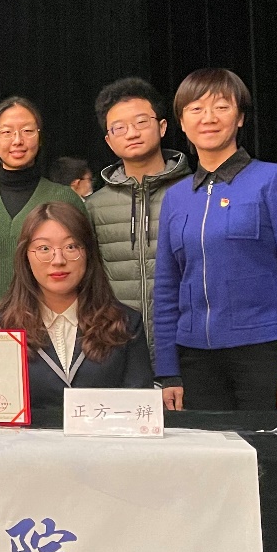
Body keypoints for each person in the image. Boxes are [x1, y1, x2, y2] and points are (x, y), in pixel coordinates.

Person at [153, 69, 277, 411]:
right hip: (195, 360)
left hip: (263, 352)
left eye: (221, 107)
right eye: (196, 109)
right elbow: (167, 288)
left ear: (240, 117)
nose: (208, 118)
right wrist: (168, 372)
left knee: (269, 445)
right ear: (182, 122)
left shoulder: (274, 180)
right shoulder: (175, 197)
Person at [0, 201, 152, 412]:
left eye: (71, 247)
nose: (58, 260)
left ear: (88, 253)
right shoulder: (0, 330)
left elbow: (140, 409)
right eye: (44, 248)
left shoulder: (125, 323)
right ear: (25, 256)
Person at [0, 96, 86, 326]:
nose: (18, 140)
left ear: (40, 137)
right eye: (7, 132)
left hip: (55, 330)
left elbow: (85, 265)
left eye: (27, 131)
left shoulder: (65, 199)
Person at [85, 77, 190, 352]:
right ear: (109, 140)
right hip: (121, 347)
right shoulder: (95, 207)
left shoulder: (194, 192)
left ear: (162, 127)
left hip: (188, 346)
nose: (132, 133)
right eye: (119, 128)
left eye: (141, 122)